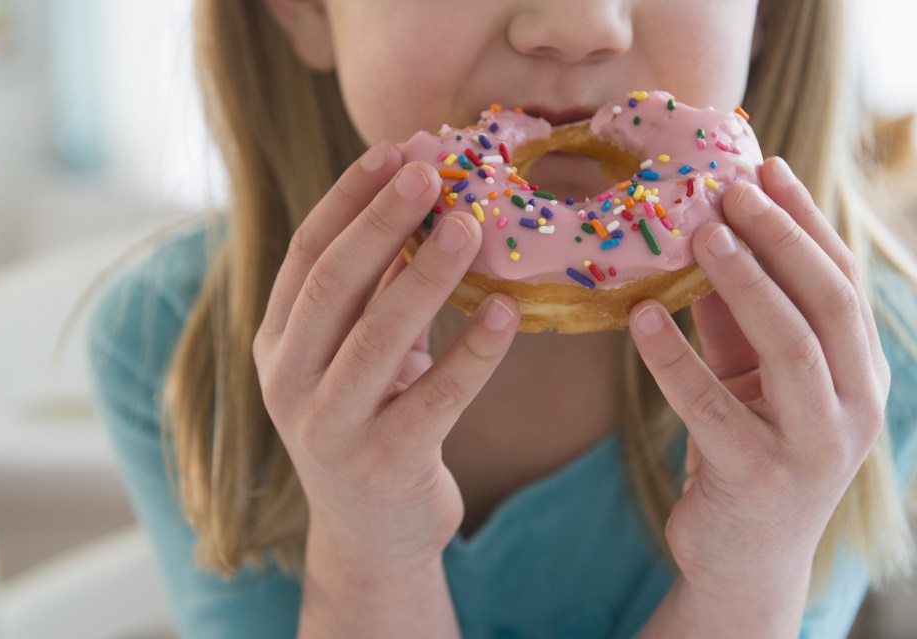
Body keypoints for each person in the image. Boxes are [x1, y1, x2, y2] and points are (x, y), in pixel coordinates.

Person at [86, 0, 917, 637]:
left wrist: (750, 574)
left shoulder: (857, 365)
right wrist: (367, 558)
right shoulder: (173, 343)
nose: (578, 23)